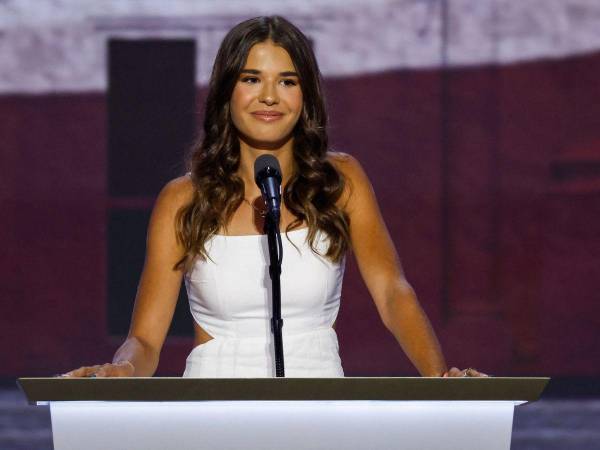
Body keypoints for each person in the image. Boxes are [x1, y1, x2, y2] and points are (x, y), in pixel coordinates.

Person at [63, 16, 487, 379]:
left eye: (287, 81)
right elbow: (144, 339)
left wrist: (440, 378)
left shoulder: (342, 180)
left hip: (318, 405)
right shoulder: (182, 200)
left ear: (305, 97)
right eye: (252, 79)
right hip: (215, 410)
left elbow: (393, 293)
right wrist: (120, 369)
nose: (270, 96)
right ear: (227, 91)